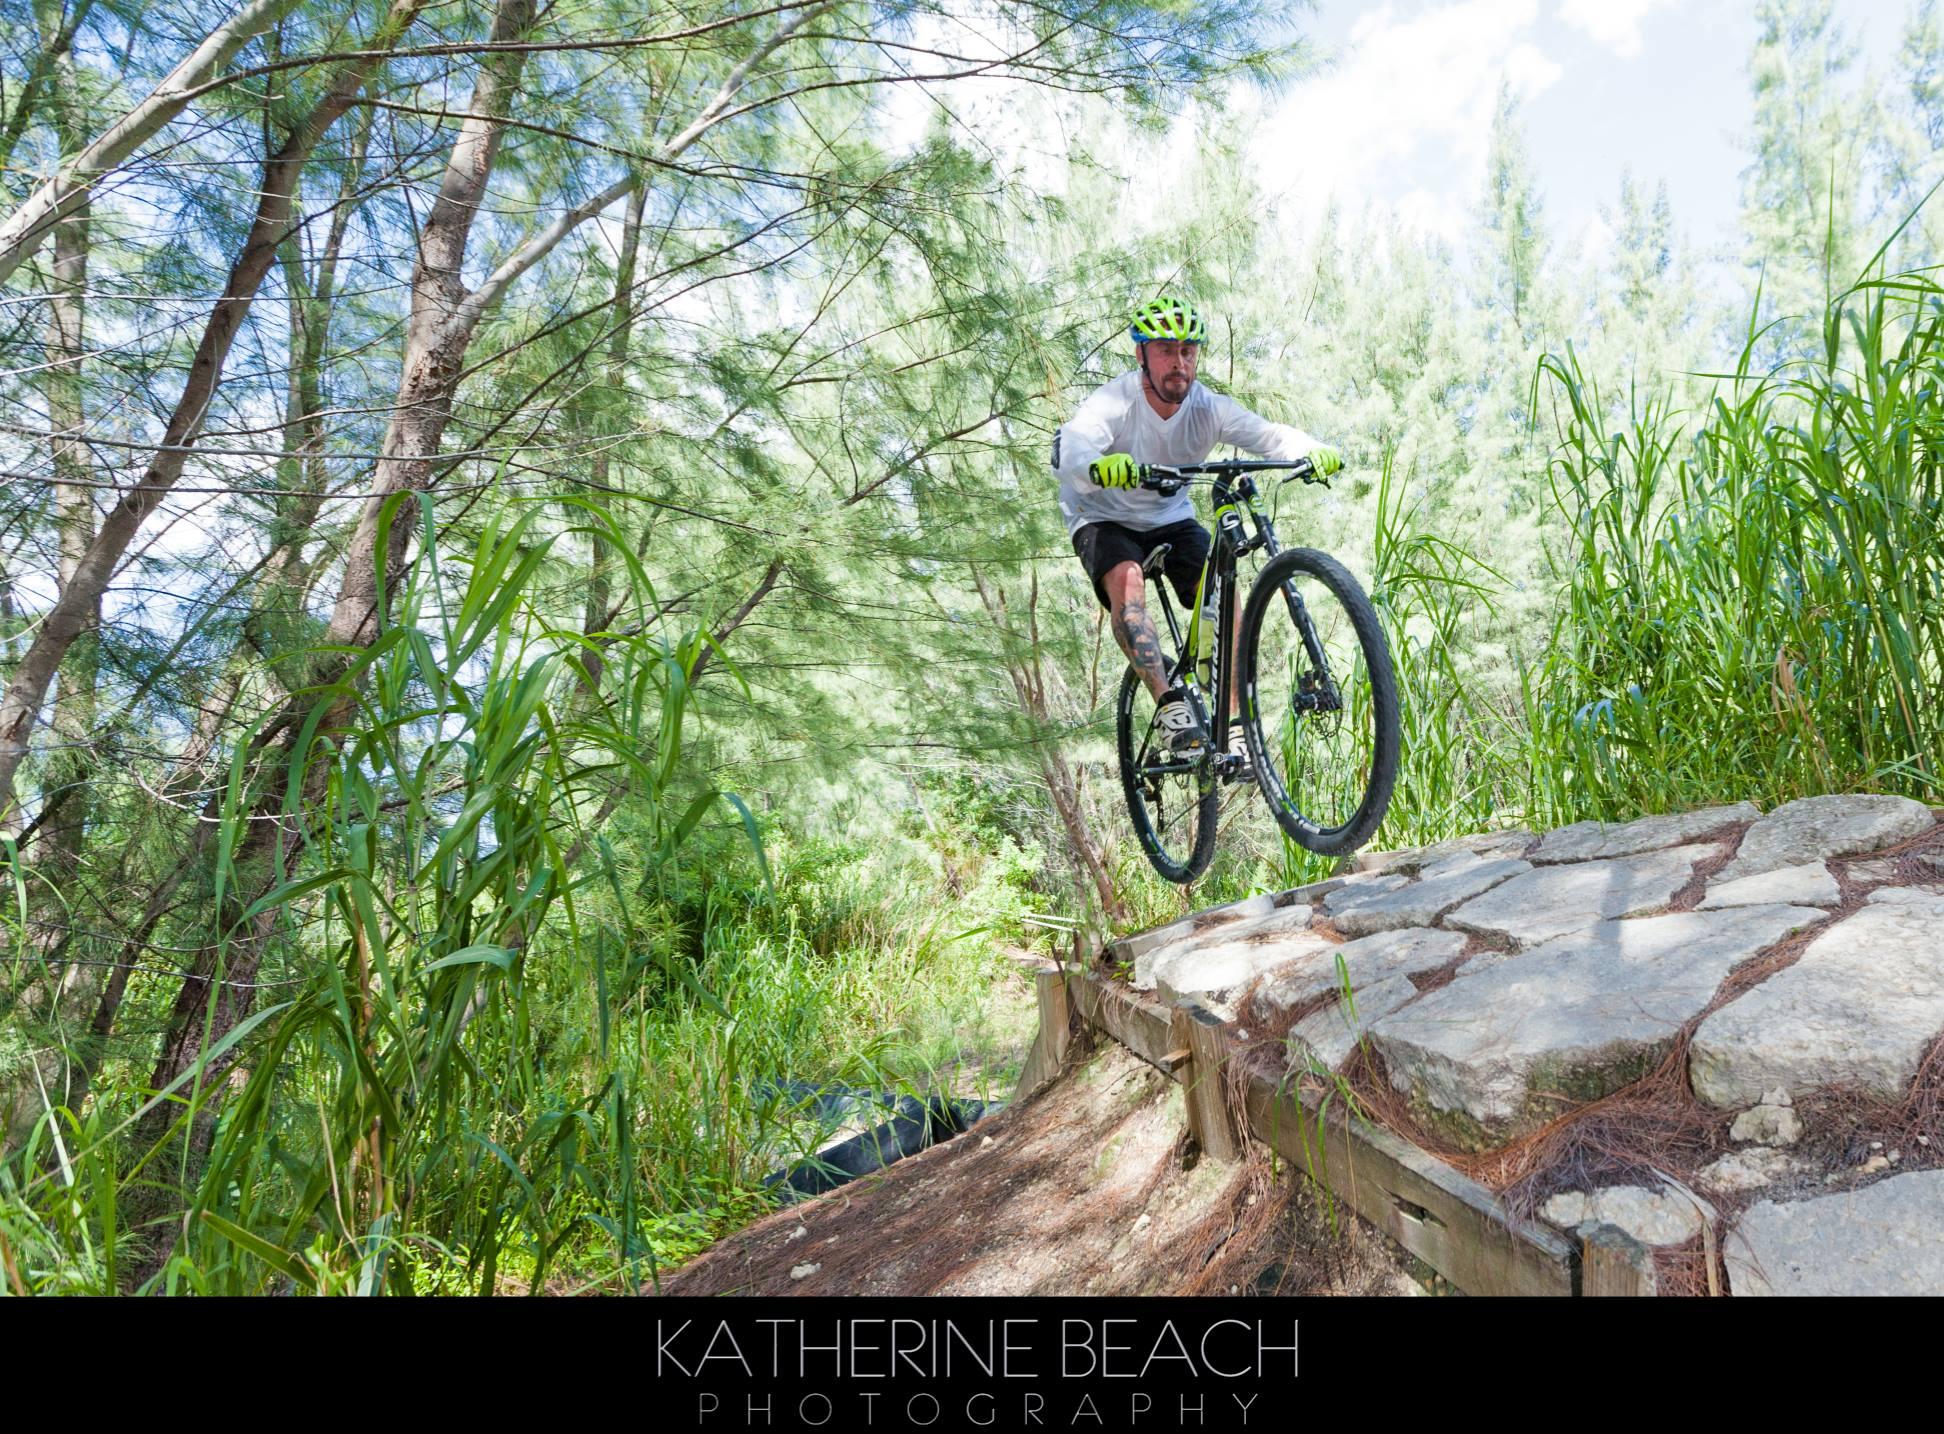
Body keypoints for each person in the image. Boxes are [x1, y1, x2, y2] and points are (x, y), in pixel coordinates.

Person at [1052, 295, 1342, 759]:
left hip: (1170, 517)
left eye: (1188, 351)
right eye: (1166, 349)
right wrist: (1099, 467)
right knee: (1127, 584)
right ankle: (1169, 708)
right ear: (1141, 354)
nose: (1179, 362)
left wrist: (1313, 449)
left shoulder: (1207, 408)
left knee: (1226, 600)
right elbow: (1075, 444)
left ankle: (1233, 723)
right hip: (1102, 513)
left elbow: (1268, 435)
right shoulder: (1116, 400)